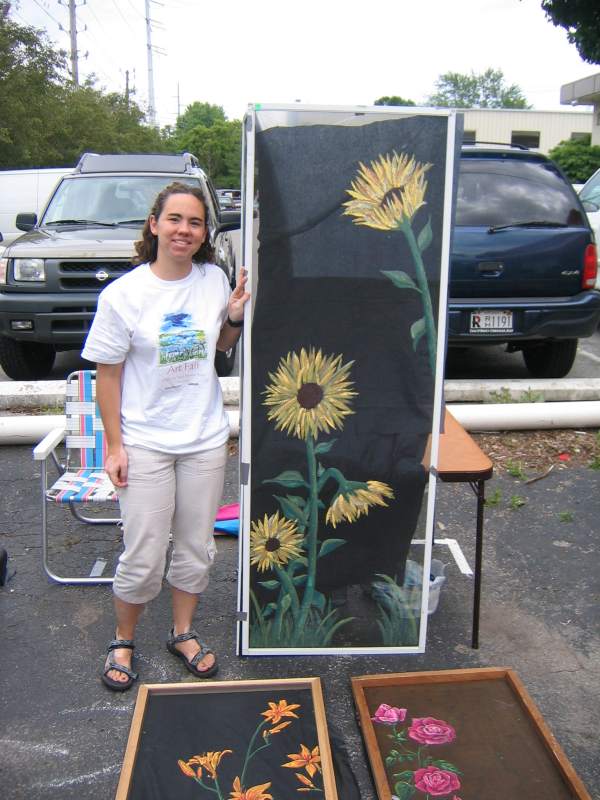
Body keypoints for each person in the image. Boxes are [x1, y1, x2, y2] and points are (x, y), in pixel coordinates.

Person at [81, 181, 249, 691]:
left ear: (203, 234)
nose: (184, 230)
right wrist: (114, 446)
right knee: (145, 551)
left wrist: (236, 315)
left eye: (195, 222)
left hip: (203, 439)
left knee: (197, 547)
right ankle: (124, 638)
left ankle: (181, 632)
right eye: (175, 219)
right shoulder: (124, 294)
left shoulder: (213, 281)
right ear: (154, 225)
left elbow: (219, 346)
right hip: (146, 442)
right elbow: (106, 376)